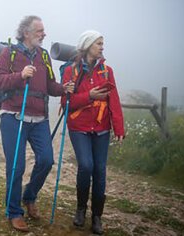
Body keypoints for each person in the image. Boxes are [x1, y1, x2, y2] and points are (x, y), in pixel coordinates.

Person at [0, 15, 74, 232]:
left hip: (39, 119)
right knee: (16, 166)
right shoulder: (9, 53)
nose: (43, 34)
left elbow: (49, 85)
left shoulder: (43, 55)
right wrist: (20, 75)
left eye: (43, 31)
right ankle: (14, 212)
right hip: (13, 116)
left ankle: (29, 197)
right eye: (39, 31)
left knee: (47, 160)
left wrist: (63, 88)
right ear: (26, 32)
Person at [60, 30, 125, 235]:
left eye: (102, 43)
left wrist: (119, 127)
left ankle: (97, 216)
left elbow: (113, 100)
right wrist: (89, 95)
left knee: (100, 171)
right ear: (88, 45)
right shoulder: (71, 71)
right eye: (98, 43)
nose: (102, 47)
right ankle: (81, 209)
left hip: (101, 128)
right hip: (78, 127)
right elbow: (66, 103)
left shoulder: (107, 71)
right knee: (86, 166)